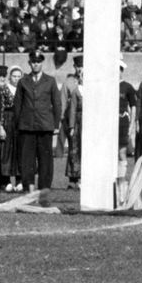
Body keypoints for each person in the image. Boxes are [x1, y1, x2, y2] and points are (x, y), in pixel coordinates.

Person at [14, 51, 61, 199]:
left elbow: (57, 104)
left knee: (45, 159)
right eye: (33, 62)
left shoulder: (50, 81)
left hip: (45, 125)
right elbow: (18, 105)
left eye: (38, 62)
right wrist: (19, 123)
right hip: (27, 126)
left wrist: (56, 124)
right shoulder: (23, 81)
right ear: (29, 63)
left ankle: (44, 188)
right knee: (27, 159)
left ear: (42, 63)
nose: (36, 64)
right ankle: (29, 187)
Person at [0, 65, 21, 192]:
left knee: (18, 150)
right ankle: (4, 180)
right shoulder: (4, 88)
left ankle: (19, 179)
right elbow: (0, 107)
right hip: (7, 119)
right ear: (9, 77)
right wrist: (0, 125)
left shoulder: (22, 89)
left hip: (19, 121)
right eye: (14, 76)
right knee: (5, 151)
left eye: (18, 76)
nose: (16, 79)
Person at [118, 60, 136, 202]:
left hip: (123, 122)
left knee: (122, 152)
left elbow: (133, 106)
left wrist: (131, 126)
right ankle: (114, 182)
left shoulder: (127, 87)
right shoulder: (108, 85)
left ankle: (122, 181)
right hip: (110, 124)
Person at [65, 55, 83, 189]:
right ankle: (73, 177)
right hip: (75, 121)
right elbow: (67, 105)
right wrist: (70, 125)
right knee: (74, 149)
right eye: (78, 67)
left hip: (88, 122)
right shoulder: (69, 83)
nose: (80, 70)